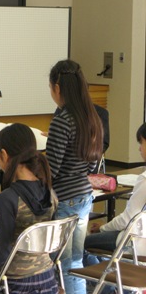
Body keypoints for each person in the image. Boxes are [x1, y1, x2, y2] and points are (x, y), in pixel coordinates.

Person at [0, 123, 58, 294]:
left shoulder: (8, 197)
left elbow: (2, 251)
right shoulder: (50, 192)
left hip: (16, 285)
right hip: (49, 279)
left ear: (4, 155)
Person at [46, 59, 103, 294]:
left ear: (57, 88)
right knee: (76, 261)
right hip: (84, 196)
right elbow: (92, 166)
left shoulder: (62, 120)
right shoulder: (91, 119)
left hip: (65, 200)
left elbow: (52, 168)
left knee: (66, 264)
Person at [85, 122, 146, 257]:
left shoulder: (144, 179)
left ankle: (99, 275)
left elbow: (128, 220)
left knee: (82, 244)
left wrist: (102, 228)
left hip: (136, 243)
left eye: (141, 143)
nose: (139, 149)